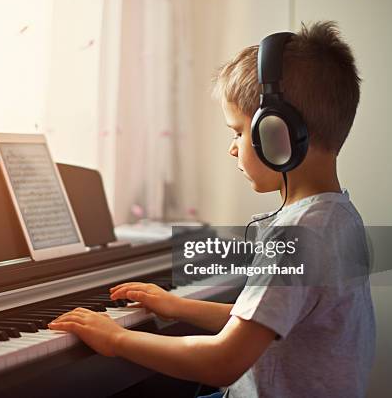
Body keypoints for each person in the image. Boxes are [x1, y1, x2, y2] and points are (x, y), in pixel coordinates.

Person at [48, 21, 375, 398]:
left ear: (276, 132)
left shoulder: (298, 235)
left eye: (237, 131)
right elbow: (261, 320)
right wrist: (178, 306)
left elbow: (223, 359)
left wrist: (116, 339)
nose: (233, 148)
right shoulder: (338, 216)